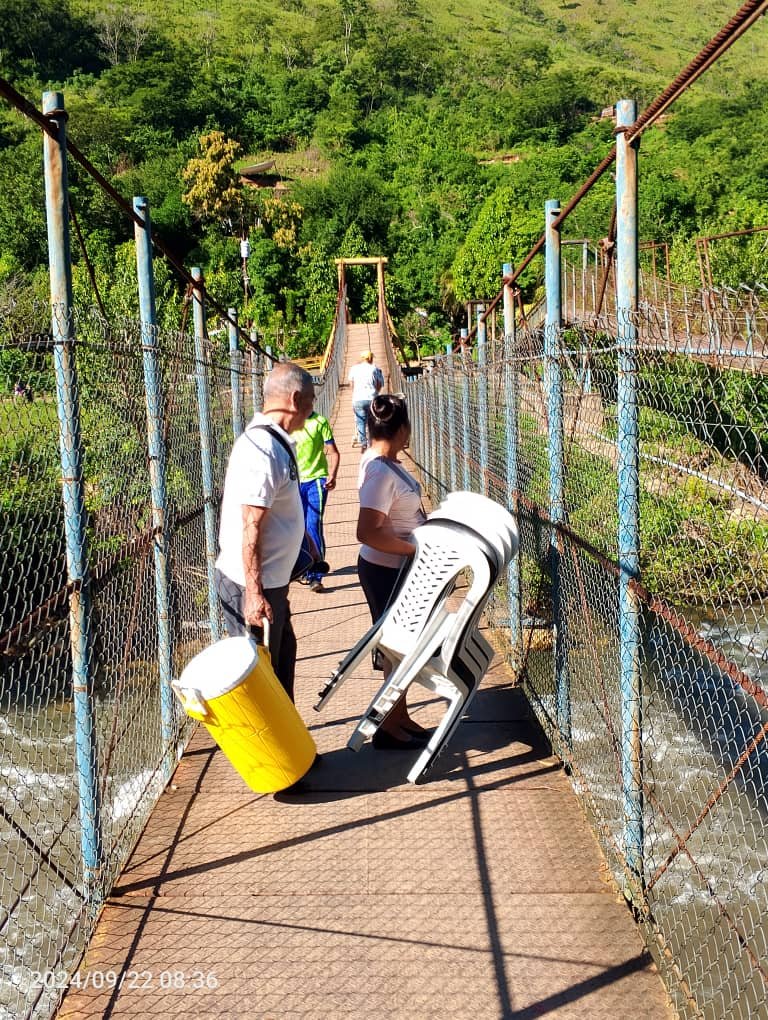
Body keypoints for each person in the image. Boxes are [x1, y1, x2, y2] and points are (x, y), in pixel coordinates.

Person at [214, 361, 315, 702]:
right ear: (295, 398)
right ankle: (273, 753)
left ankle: (290, 749)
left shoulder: (276, 442)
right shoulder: (262, 449)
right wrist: (254, 595)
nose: (313, 409)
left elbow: (276, 508)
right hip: (252, 585)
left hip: (270, 581)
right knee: (263, 677)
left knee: (283, 658)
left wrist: (304, 537)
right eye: (312, 400)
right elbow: (250, 525)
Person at [356, 393, 431, 750]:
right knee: (395, 649)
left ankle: (400, 716)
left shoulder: (385, 460)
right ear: (402, 428)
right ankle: (387, 726)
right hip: (386, 571)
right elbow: (368, 531)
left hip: (394, 569)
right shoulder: (379, 471)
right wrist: (415, 548)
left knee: (400, 648)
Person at [294, 409, 340, 593]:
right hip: (294, 482)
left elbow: (334, 452)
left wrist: (332, 475)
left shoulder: (320, 422)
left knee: (313, 525)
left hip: (316, 480)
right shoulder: (288, 423)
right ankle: (304, 567)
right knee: (298, 527)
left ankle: (316, 575)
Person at [348, 350, 384, 451]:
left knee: (360, 421)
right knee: (372, 421)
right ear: (370, 358)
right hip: (371, 398)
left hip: (357, 399)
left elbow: (351, 384)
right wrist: (376, 393)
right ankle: (372, 442)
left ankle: (363, 443)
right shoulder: (375, 368)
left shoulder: (354, 368)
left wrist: (356, 393)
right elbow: (379, 384)